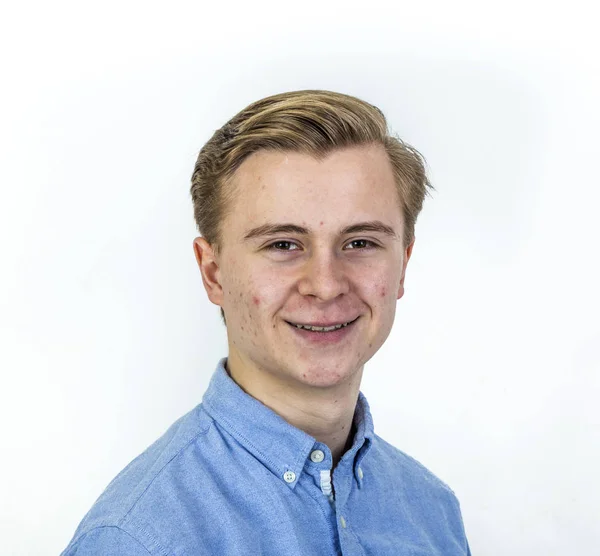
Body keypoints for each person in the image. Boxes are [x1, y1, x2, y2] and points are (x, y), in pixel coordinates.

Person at [61, 90, 471, 555]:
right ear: (212, 272)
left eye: (360, 243)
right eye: (282, 244)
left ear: (402, 265)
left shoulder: (432, 512)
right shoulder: (138, 540)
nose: (326, 284)